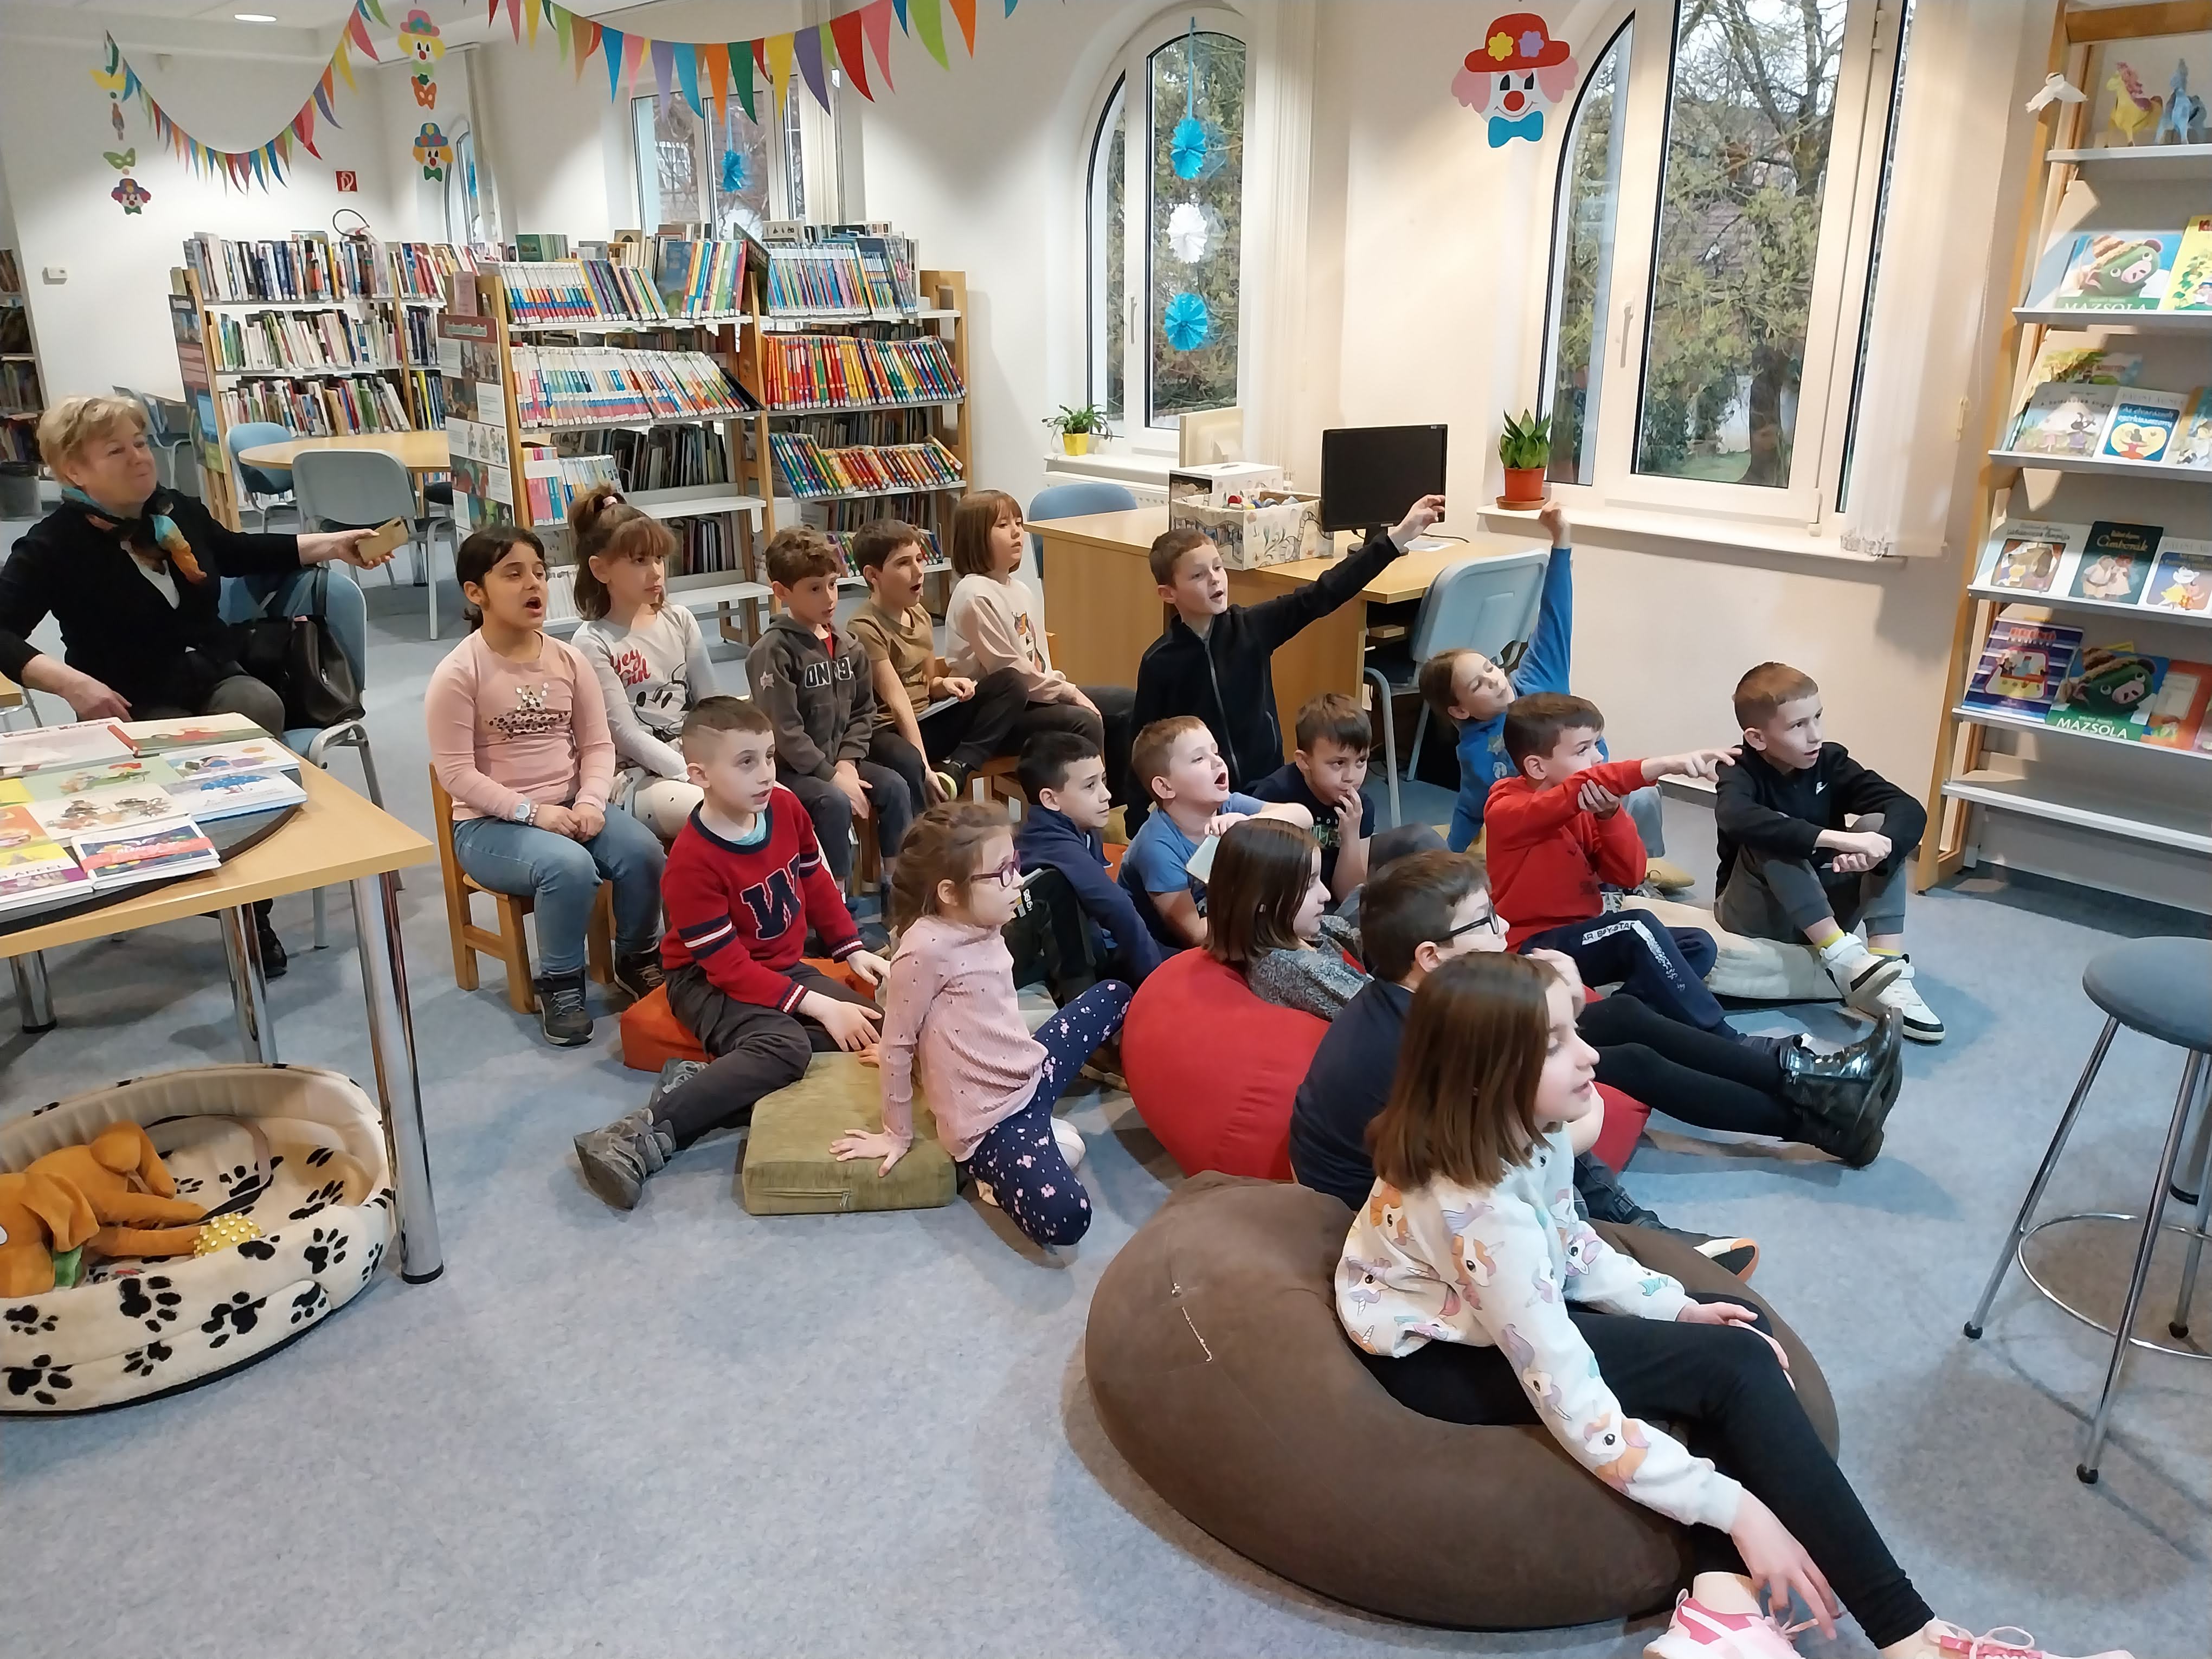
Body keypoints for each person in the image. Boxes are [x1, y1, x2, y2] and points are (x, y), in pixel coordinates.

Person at [1338, 953, 2104, 1659]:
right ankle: (1913, 1637)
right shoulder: (1482, 1214)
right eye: (1555, 1045)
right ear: (1483, 1074)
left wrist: (1674, 1308)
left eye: (1575, 1030)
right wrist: (1737, 1510)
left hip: (1489, 1308)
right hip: (1438, 1357)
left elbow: (1571, 1247)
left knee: (1736, 1325)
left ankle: (1720, 1607)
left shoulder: (1532, 1131)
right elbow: (1573, 1403)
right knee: (1734, 1366)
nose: (1590, 1055)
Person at [1290, 850, 1904, 1234]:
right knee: (1625, 1065)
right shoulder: (1436, 1041)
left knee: (1627, 1017)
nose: (1505, 927)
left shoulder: (1422, 998)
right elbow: (1551, 1137)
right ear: (1431, 956)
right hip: (1408, 1212)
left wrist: (1569, 1005)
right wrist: (1566, 1018)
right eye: (1486, 922)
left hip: (1450, 1142)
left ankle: (1813, 1081)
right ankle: (1822, 1119)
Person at [0, 394, 393, 974]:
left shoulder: (172, 511)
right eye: (117, 451)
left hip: (211, 671)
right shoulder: (53, 545)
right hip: (131, 697)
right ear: (74, 471)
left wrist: (331, 544)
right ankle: (243, 905)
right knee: (185, 756)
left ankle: (244, 890)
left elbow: (237, 551)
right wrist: (70, 684)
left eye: (141, 444)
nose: (140, 458)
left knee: (254, 706)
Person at [570, 697, 890, 1210]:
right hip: (705, 980)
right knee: (787, 1047)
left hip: (778, 968)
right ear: (700, 775)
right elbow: (728, 968)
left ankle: (706, 1081)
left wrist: (851, 948)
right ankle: (640, 1134)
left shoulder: (784, 806)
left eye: (769, 757)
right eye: (746, 762)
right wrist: (820, 1004)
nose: (766, 774)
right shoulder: (691, 863)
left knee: (877, 1030)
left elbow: (815, 878)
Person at [832, 802, 1131, 1250]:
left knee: (1116, 994)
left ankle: (1041, 1139)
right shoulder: (924, 949)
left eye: (1015, 864)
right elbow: (898, 1041)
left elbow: (956, 1023)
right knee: (1069, 1218)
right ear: (950, 893)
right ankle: (998, 1170)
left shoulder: (986, 919)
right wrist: (896, 1133)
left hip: (1028, 1072)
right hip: (990, 1123)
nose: (1018, 880)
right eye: (1003, 873)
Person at [427, 526, 667, 1047]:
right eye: (513, 574)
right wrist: (532, 813)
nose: (533, 584)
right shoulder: (458, 673)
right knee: (568, 867)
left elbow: (598, 745)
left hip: (571, 805)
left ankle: (637, 956)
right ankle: (560, 983)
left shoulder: (568, 659)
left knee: (644, 851)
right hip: (490, 826)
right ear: (476, 592)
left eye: (539, 572)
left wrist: (591, 801)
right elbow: (456, 775)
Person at [1130, 491, 1445, 832]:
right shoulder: (1160, 662)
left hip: (1267, 788)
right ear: (1168, 593)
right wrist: (1136, 820)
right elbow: (1145, 745)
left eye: (1218, 567)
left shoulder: (1252, 627)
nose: (1215, 579)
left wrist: (1397, 538)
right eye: (1197, 576)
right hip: (1203, 799)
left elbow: (1324, 593)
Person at [1417, 503, 1684, 888]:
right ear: (1460, 710)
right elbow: (1472, 807)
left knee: (1644, 797)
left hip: (1596, 796)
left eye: (1491, 667)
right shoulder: (1474, 750)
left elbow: (1556, 614)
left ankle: (1644, 875)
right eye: (1478, 685)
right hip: (1552, 820)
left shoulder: (1539, 678)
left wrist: (1562, 540)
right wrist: (1450, 859)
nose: (1495, 680)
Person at [1487, 692, 1749, 1040]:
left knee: (1699, 944)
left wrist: (1610, 815)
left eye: (1597, 745)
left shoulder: (1583, 807)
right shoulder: (1507, 807)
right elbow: (1573, 791)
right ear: (1537, 767)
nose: (1597, 757)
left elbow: (1629, 875)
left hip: (1583, 936)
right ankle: (1725, 1037)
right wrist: (1663, 765)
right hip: (1532, 947)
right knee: (1636, 924)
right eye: (1583, 750)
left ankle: (1621, 1016)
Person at [1718, 663, 1942, 1041]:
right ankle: (1846, 960)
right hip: (1754, 914)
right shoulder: (1738, 768)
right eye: (1798, 726)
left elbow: (1907, 807)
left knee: (1878, 827)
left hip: (1824, 903)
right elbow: (1735, 816)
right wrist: (1837, 840)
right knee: (1772, 831)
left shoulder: (1830, 760)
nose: (1816, 735)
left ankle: (1887, 971)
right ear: (1757, 738)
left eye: (1818, 718)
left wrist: (1878, 849)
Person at [745, 525, 912, 891]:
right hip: (792, 771)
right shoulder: (773, 651)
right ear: (782, 592)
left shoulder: (850, 646)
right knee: (833, 802)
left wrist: (848, 763)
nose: (829, 597)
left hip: (841, 762)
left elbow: (863, 712)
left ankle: (897, 888)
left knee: (896, 787)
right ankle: (835, 901)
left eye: (833, 584)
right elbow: (784, 730)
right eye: (814, 589)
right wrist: (831, 774)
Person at [943, 490, 1134, 799]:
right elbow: (1011, 672)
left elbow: (1038, 662)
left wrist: (1063, 691)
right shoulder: (974, 594)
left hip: (1035, 700)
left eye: (1018, 523)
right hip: (997, 716)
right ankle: (1072, 815)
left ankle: (1118, 810)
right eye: (1003, 525)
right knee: (1082, 722)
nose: (1017, 532)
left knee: (1125, 704)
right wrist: (1069, 693)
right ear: (975, 537)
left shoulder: (1021, 590)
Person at [567, 484, 717, 842]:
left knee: (780, 801)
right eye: (639, 561)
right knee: (716, 812)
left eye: (659, 559)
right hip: (635, 777)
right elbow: (626, 734)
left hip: (696, 757)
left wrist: (728, 759)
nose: (656, 572)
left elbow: (712, 704)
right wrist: (690, 774)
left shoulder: (680, 619)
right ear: (600, 570)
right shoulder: (592, 641)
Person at [845, 517, 1028, 807]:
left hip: (926, 720)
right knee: (910, 762)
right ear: (873, 575)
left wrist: (948, 684)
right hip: (887, 730)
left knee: (1011, 682)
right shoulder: (864, 627)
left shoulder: (920, 614)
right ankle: (926, 827)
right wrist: (926, 767)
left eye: (919, 559)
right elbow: (898, 703)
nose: (918, 571)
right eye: (903, 563)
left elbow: (929, 685)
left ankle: (958, 768)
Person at [1116, 715, 1311, 949]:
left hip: (1227, 924)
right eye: (1199, 758)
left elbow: (1303, 817)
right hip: (1162, 950)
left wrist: (1249, 824)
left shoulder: (1229, 805)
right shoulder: (1156, 848)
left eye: (1216, 752)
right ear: (1165, 787)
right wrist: (1264, 911)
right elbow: (1197, 935)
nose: (1218, 762)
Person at [1012, 729, 1165, 988]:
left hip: (1095, 943)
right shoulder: (1052, 843)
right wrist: (1158, 983)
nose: (1107, 795)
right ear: (1050, 799)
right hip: (1052, 970)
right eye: (1090, 786)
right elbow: (1116, 908)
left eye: (1103, 780)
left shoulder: (1084, 825)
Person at [1205, 816, 1365, 1020]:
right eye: (1309, 885)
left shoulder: (1294, 929)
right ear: (1262, 900)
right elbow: (1389, 1012)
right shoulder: (1293, 968)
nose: (1326, 895)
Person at [1244, 692, 1377, 903]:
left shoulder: (1360, 807)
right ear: (1304, 762)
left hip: (1332, 894)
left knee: (1417, 841)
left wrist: (1351, 834)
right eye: (1339, 763)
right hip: (1290, 899)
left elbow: (1350, 898)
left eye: (1361, 761)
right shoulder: (1276, 794)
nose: (1351, 777)